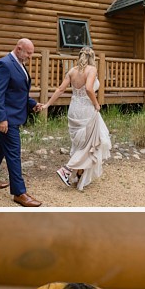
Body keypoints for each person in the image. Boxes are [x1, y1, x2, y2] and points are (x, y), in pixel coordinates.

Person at [0, 38, 44, 207]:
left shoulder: (19, 63)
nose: (30, 57)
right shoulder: (4, 64)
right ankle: (19, 193)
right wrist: (1, 119)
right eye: (28, 53)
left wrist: (32, 104)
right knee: (14, 154)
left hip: (14, 115)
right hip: (7, 118)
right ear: (19, 48)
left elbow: (17, 93)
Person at [42, 46, 112, 190]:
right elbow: (88, 88)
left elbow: (60, 89)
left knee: (80, 144)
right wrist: (97, 104)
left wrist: (47, 104)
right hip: (86, 110)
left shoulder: (72, 71)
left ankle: (80, 174)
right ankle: (66, 169)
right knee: (90, 143)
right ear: (92, 58)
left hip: (73, 110)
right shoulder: (92, 69)